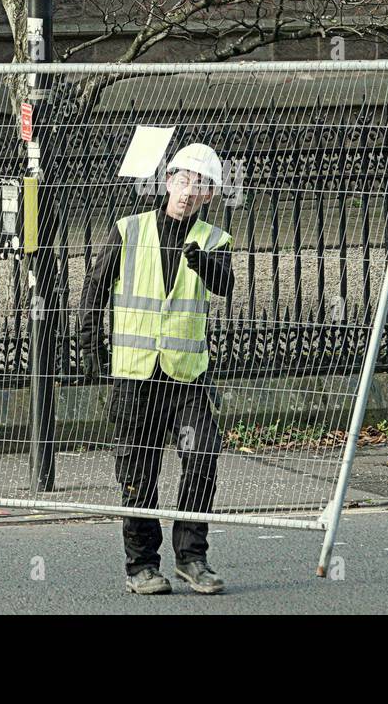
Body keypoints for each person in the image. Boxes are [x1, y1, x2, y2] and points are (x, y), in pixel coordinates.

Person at [78, 142, 235, 595]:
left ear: (208, 195)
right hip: (135, 376)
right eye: (182, 180)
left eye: (199, 185)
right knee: (137, 472)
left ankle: (192, 557)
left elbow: (225, 284)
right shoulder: (129, 230)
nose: (188, 192)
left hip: (185, 377)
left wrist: (203, 263)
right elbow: (93, 288)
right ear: (168, 182)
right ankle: (142, 565)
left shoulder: (213, 240)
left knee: (202, 455)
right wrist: (90, 348)